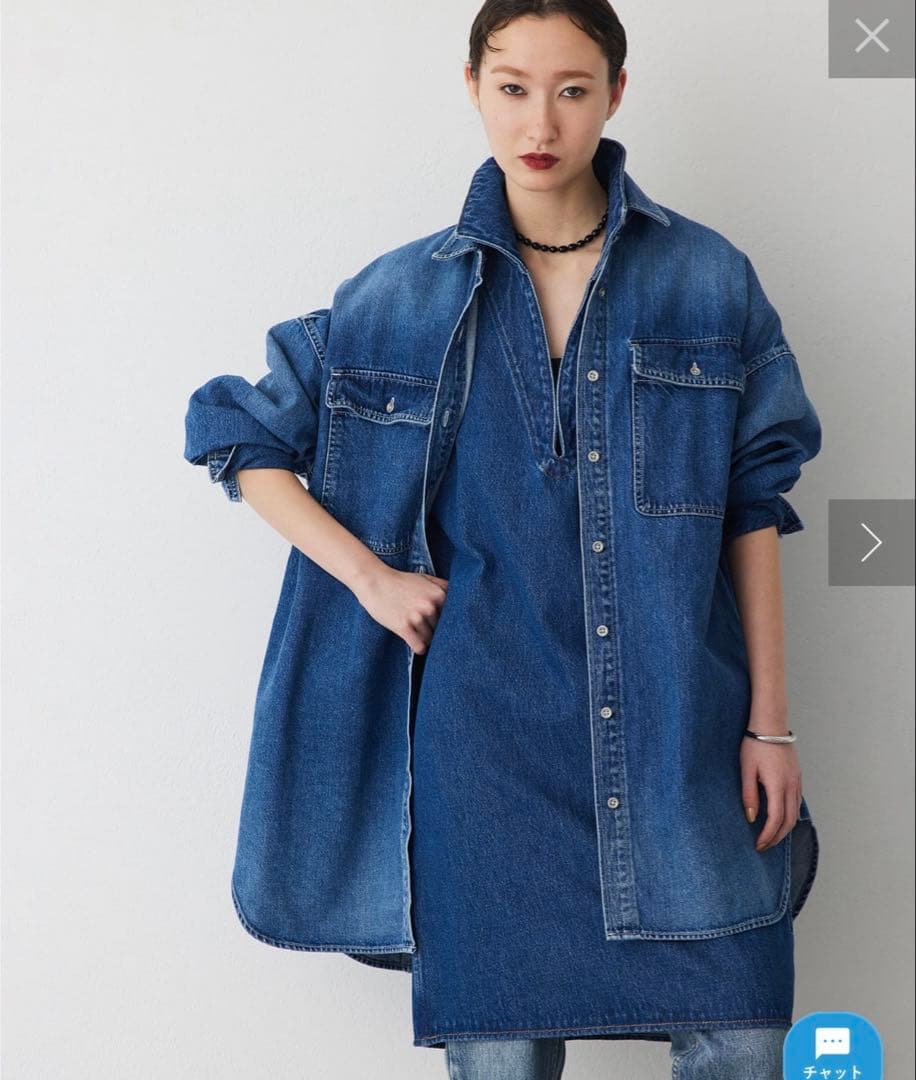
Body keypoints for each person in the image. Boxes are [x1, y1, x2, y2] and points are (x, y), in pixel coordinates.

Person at [183, 3, 823, 1078]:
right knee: (502, 1060)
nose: (541, 122)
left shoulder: (706, 279)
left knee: (744, 1033)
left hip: (679, 736)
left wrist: (771, 723)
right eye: (514, 87)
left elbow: (752, 505)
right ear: (474, 88)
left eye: (572, 89)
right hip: (481, 761)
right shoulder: (397, 298)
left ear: (615, 94)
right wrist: (372, 580)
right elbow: (236, 433)